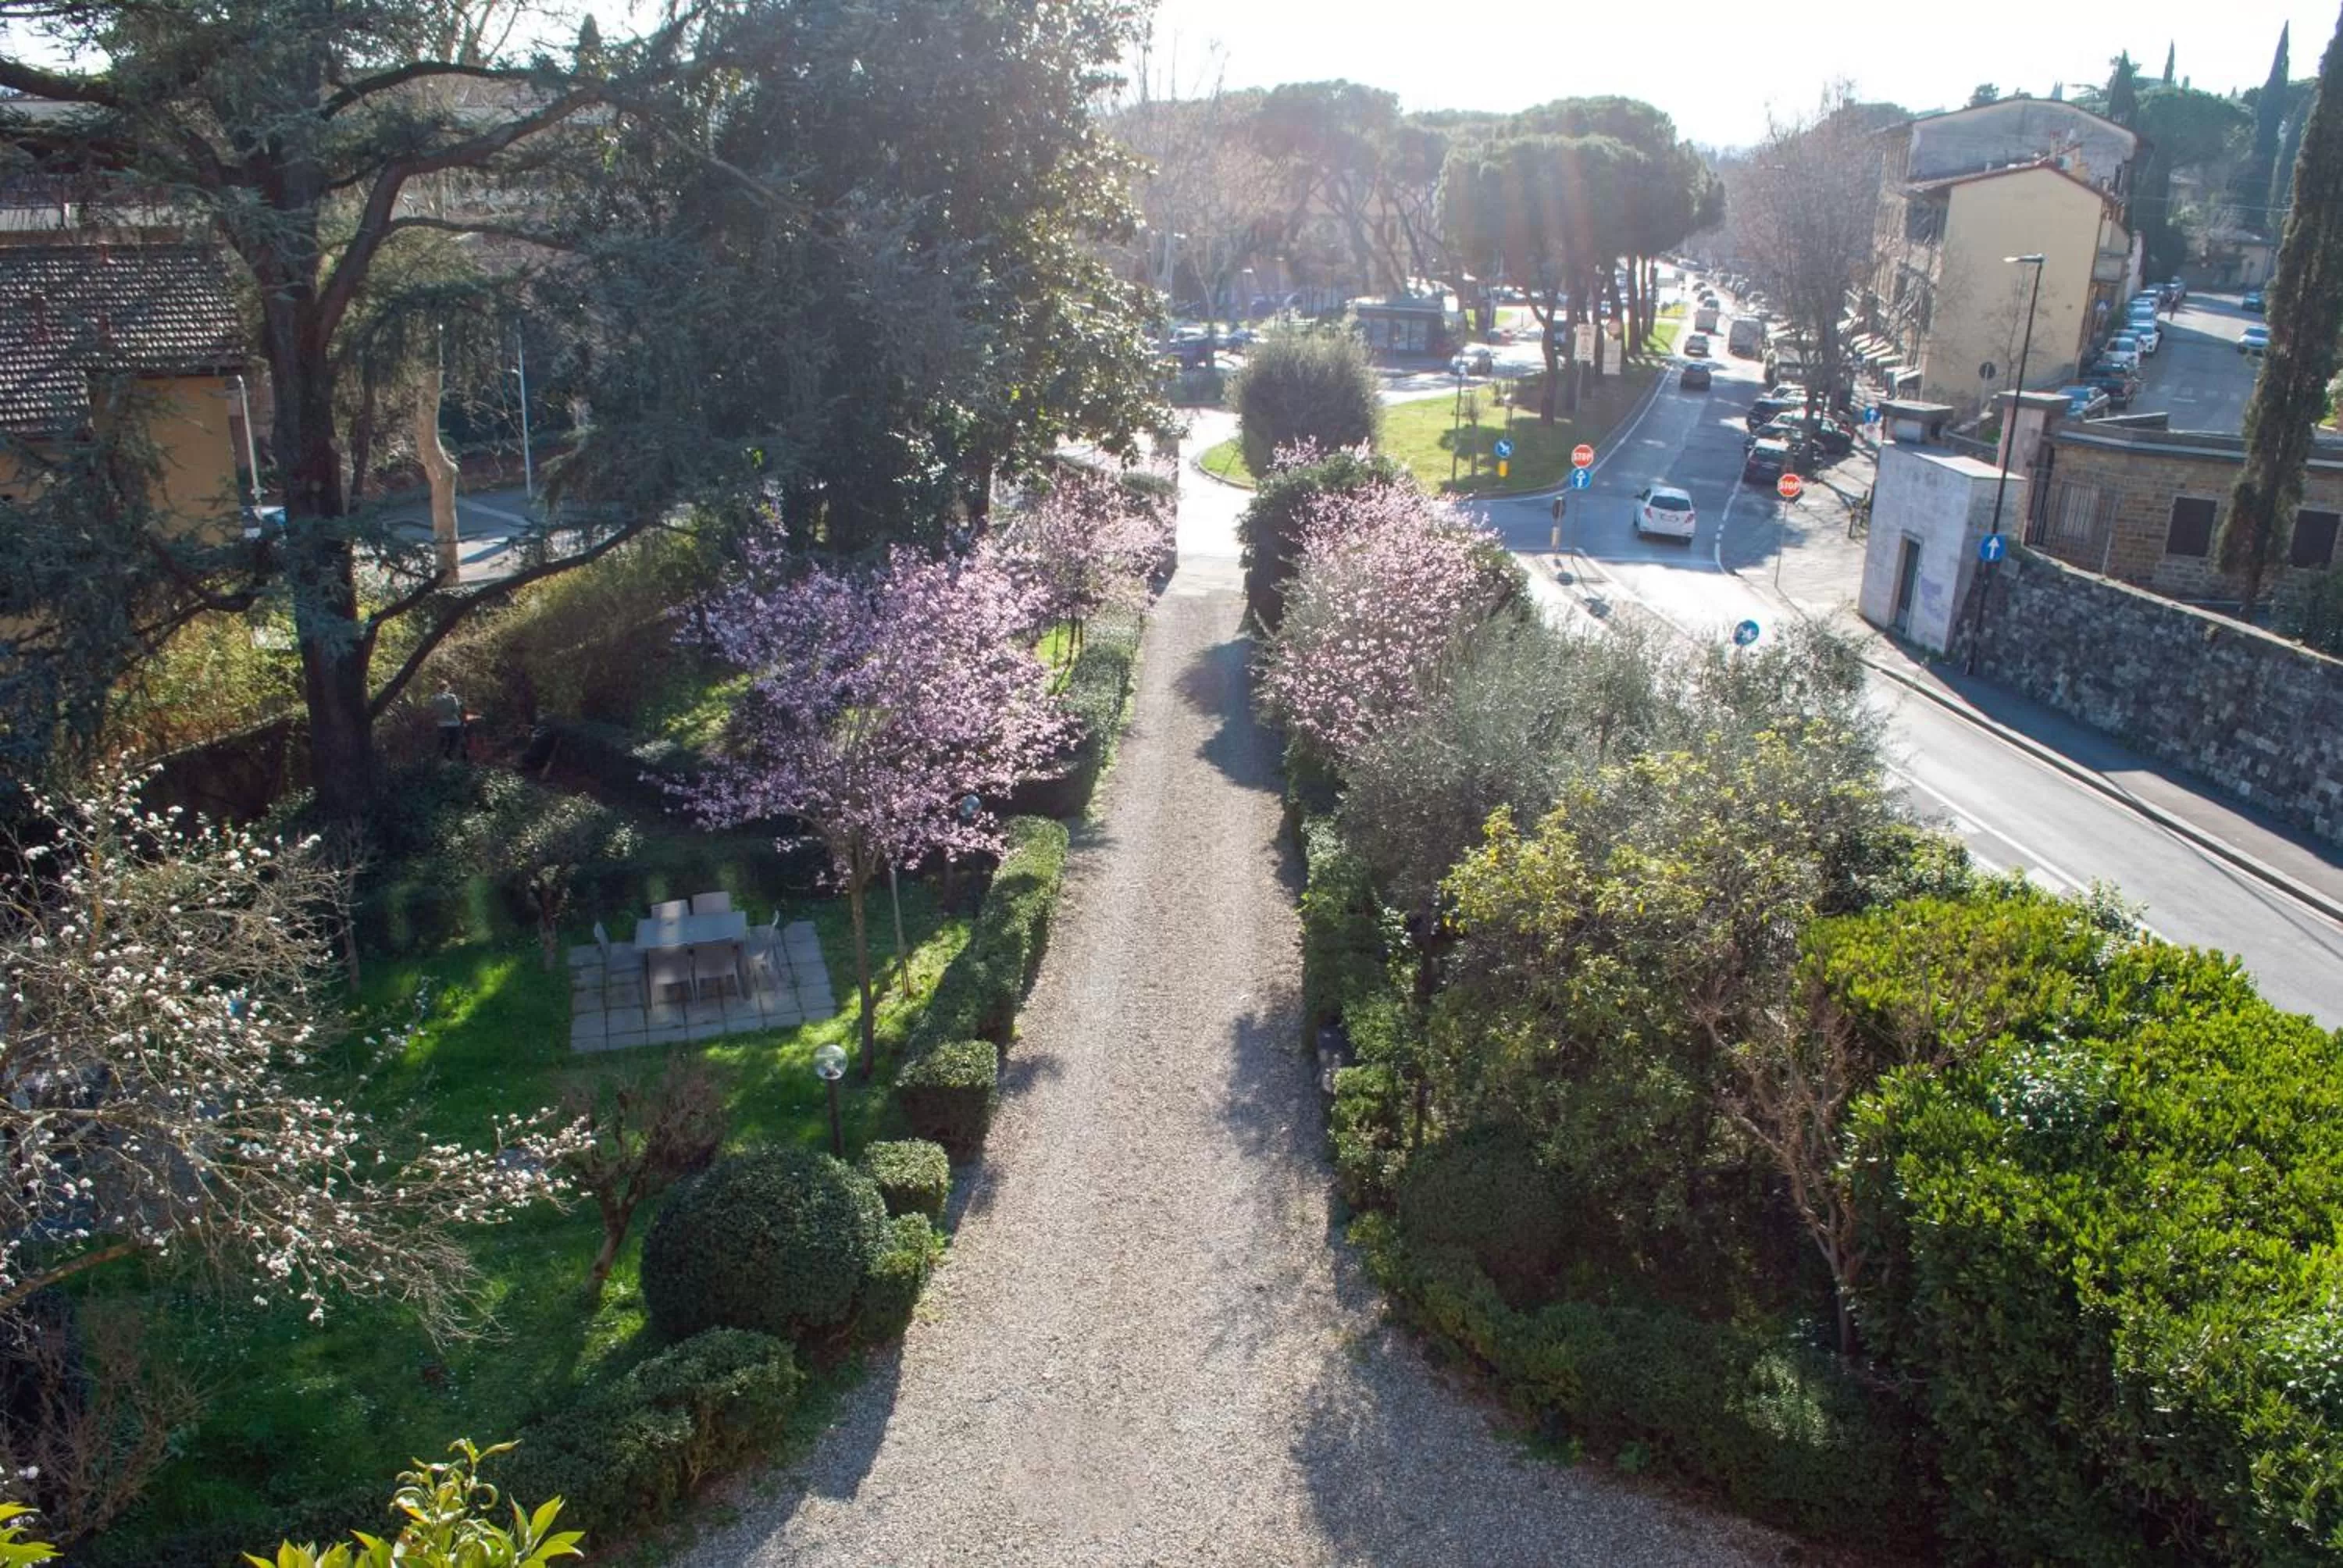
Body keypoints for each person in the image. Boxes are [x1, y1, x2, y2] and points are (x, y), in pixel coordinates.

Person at [433, 686, 468, 760]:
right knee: (459, 738)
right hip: (453, 723)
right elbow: (457, 710)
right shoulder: (452, 697)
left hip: (440, 723)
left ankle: (438, 756)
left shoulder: (435, 698)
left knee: (442, 742)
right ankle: (453, 756)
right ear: (447, 688)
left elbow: (434, 710)